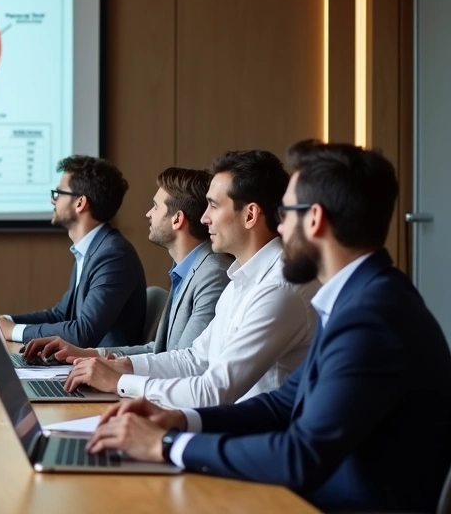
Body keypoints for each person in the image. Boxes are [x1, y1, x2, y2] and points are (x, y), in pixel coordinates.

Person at [85, 140, 451, 513]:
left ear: (315, 219)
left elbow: (300, 454)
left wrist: (166, 445)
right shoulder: (359, 296)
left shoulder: (372, 315)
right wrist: (180, 420)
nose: (278, 225)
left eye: (286, 212)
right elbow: (282, 404)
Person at [49, 150, 318, 407]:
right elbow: (196, 358)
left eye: (213, 206)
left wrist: (121, 382)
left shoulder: (278, 288)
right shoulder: (242, 276)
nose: (203, 218)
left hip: (252, 439)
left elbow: (214, 390)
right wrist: (125, 366)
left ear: (250, 215)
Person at [23, 167, 232, 361]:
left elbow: (184, 362)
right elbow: (159, 350)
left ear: (177, 219)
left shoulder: (212, 273)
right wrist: (90, 355)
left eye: (156, 207)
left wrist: (114, 373)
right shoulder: (186, 270)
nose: (148, 214)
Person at [0, 155, 146, 348]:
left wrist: (12, 331)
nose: (52, 200)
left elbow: (84, 332)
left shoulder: (112, 255)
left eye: (58, 193)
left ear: (80, 203)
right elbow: (60, 315)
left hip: (101, 374)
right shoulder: (93, 249)